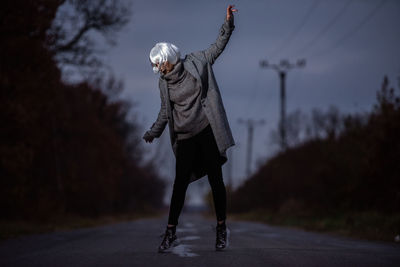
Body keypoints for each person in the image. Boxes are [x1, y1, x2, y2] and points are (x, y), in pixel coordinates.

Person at [143, 4, 238, 253]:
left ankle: (221, 229)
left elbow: (218, 47)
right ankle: (170, 232)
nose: (158, 69)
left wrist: (227, 24)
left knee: (217, 181)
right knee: (179, 185)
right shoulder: (163, 84)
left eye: (160, 64)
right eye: (156, 66)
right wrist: (153, 132)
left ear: (169, 60)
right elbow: (166, 111)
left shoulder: (196, 62)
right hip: (184, 138)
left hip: (207, 131)